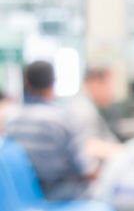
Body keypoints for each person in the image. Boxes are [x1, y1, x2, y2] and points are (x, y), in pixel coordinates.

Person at [6, 61, 94, 200]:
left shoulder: (11, 119)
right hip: (61, 195)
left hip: (24, 196)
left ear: (27, 83)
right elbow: (85, 169)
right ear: (53, 84)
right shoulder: (62, 119)